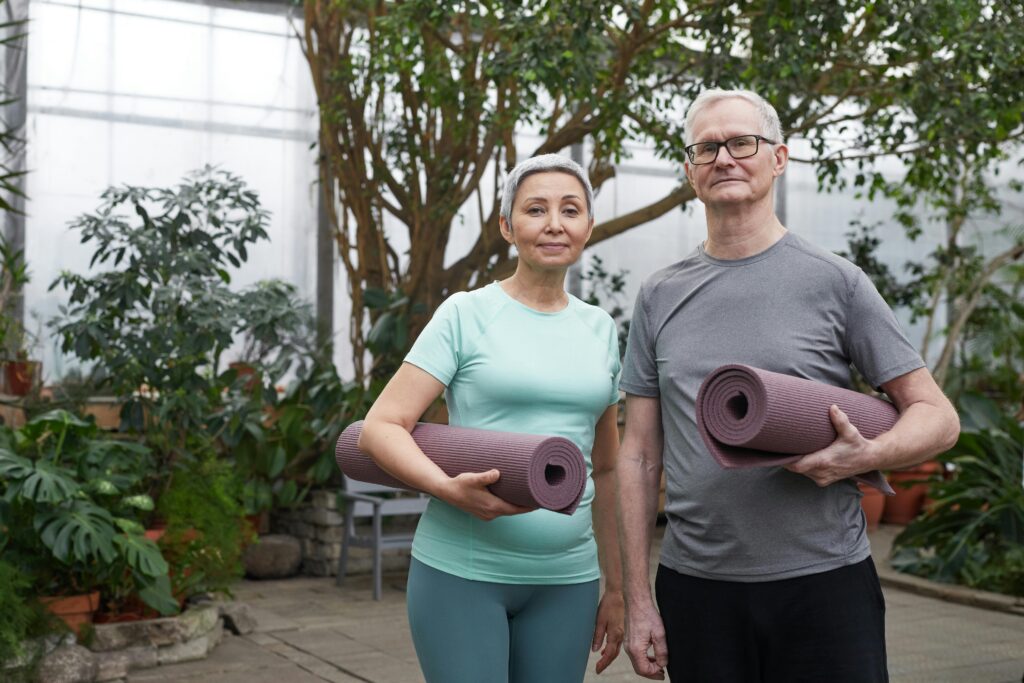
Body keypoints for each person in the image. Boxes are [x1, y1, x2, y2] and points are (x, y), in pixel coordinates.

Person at [617, 88, 960, 682]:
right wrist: (637, 599)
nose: (724, 158)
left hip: (824, 585)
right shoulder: (658, 295)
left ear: (778, 158)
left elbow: (938, 416)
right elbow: (640, 456)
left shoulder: (836, 282)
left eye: (741, 142)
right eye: (706, 148)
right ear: (690, 171)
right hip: (697, 590)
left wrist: (867, 454)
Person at [358, 154, 624, 683]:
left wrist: (616, 588)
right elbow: (380, 427)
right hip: (463, 573)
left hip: (567, 581)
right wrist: (446, 488)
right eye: (536, 209)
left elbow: (609, 468)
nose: (554, 223)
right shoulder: (466, 313)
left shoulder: (600, 329)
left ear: (588, 226)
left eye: (570, 210)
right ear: (507, 226)